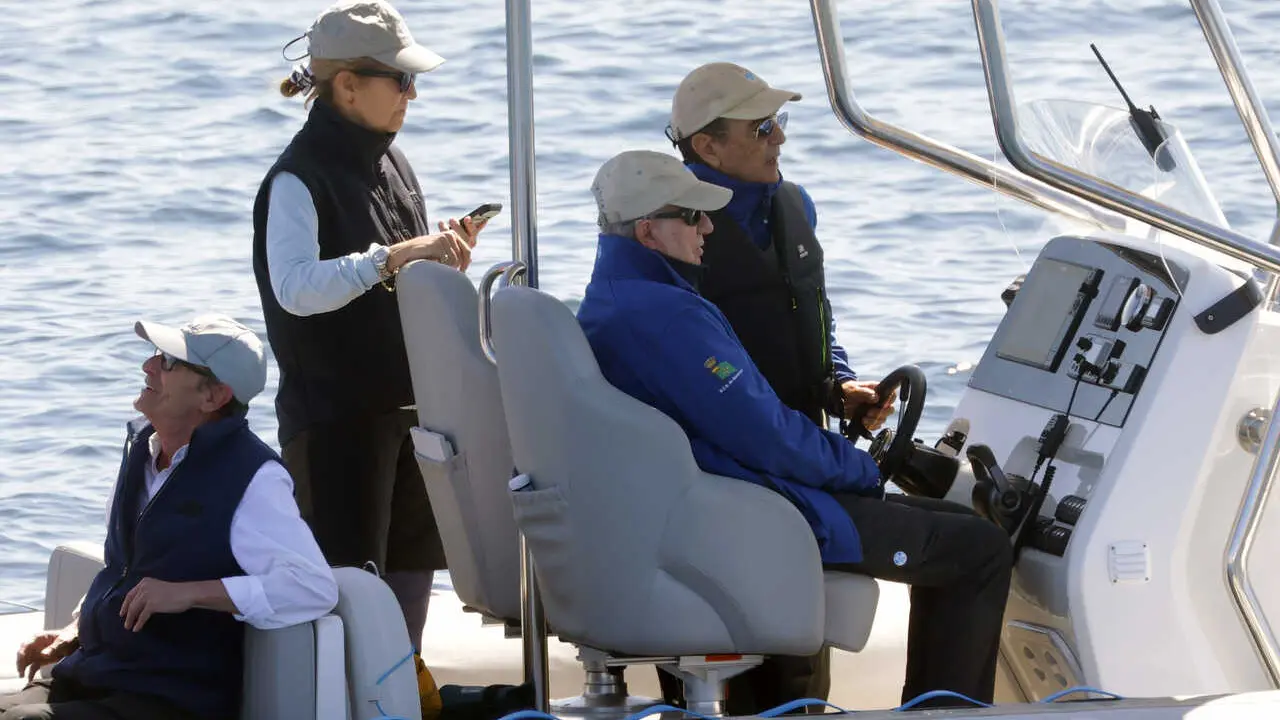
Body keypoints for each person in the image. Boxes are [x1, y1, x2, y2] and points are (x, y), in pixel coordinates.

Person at [577, 151, 1013, 709]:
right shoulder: (666, 315)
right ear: (648, 232)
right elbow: (766, 433)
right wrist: (863, 470)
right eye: (692, 216)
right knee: (979, 548)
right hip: (751, 515)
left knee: (956, 530)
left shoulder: (618, 299)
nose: (708, 226)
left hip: (707, 503)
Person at [250, 0, 488, 666]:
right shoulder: (296, 178)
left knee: (413, 567)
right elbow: (295, 289)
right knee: (349, 589)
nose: (413, 93)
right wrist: (392, 257)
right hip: (336, 425)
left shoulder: (394, 161)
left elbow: (396, 266)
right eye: (401, 79)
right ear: (348, 86)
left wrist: (438, 252)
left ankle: (401, 691)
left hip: (408, 409)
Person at [660, 60, 897, 712]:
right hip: (713, 483)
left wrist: (837, 385)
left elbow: (810, 316)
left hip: (798, 463)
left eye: (779, 123)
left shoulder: (794, 205)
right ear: (706, 146)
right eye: (762, 127)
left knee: (798, 678)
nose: (780, 139)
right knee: (727, 664)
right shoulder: (667, 229)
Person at [4, 314, 338, 720]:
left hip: (169, 698)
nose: (148, 366)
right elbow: (123, 569)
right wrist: (72, 633)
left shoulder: (255, 478)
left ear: (213, 397)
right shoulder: (141, 451)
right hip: (94, 673)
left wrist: (189, 592)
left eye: (168, 362)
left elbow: (313, 588)